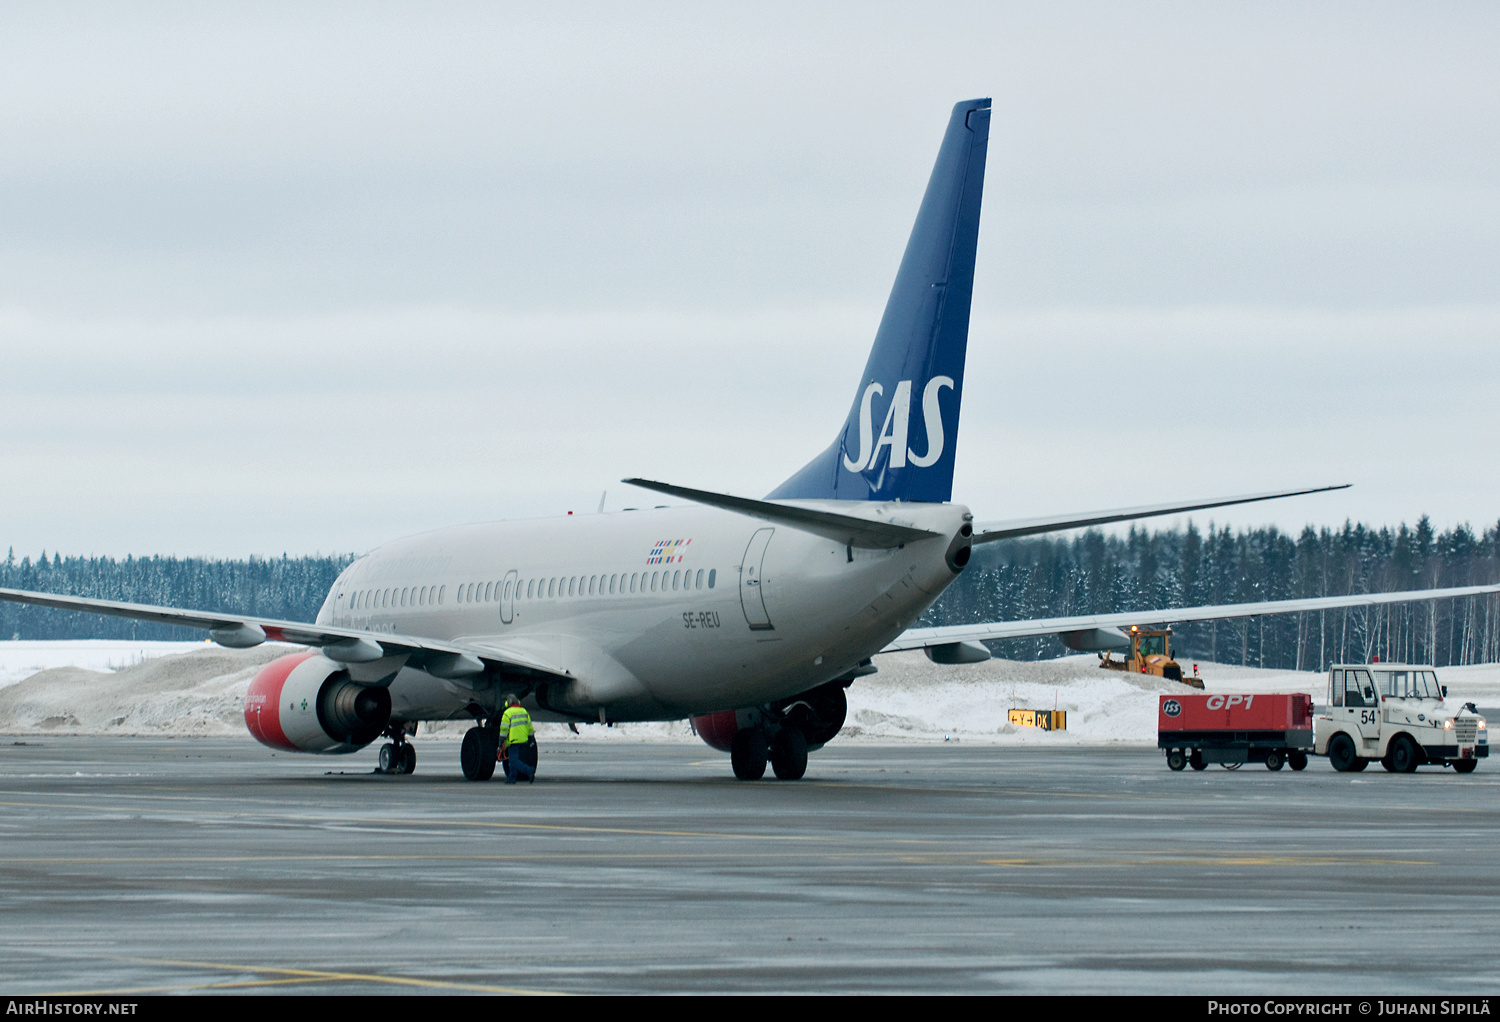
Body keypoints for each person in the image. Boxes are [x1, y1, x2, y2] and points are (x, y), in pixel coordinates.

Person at [498, 694, 536, 783]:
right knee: (513, 760)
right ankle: (512, 778)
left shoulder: (508, 713)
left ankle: (529, 770)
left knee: (513, 761)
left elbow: (504, 729)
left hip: (514, 740)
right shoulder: (524, 711)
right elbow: (529, 726)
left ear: (508, 703)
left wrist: (501, 740)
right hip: (523, 740)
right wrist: (531, 738)